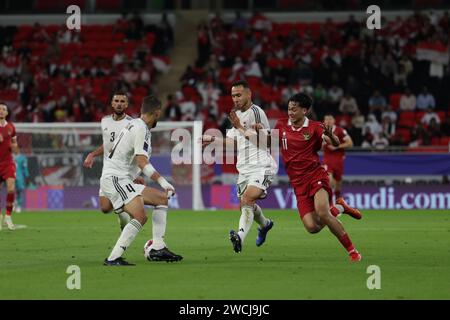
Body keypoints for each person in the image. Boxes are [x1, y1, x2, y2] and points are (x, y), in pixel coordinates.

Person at [273, 93, 363, 262]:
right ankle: (340, 207)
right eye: (289, 108)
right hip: (298, 183)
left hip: (315, 176)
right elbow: (265, 140)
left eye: (294, 109)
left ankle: (353, 252)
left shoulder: (314, 127)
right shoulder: (281, 125)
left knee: (323, 212)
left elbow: (335, 142)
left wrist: (332, 136)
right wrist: (246, 129)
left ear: (304, 110)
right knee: (312, 227)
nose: (290, 112)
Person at [101, 95, 182, 266]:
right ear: (157, 113)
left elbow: (124, 155)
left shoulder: (133, 124)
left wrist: (133, 176)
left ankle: (158, 247)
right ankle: (113, 258)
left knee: (161, 199)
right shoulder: (142, 128)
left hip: (122, 178)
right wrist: (164, 182)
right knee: (140, 216)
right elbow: (142, 162)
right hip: (116, 179)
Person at [201, 80, 277, 253]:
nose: (235, 99)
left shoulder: (255, 112)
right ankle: (265, 224)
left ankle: (240, 237)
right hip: (244, 169)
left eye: (238, 95)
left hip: (261, 165)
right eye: (233, 96)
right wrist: (212, 140)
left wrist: (240, 128)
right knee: (245, 203)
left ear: (249, 94)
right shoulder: (236, 115)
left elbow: (264, 141)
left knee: (248, 200)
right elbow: (233, 142)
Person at [83, 92, 135, 230]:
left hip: (124, 172)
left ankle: (126, 226)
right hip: (107, 170)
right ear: (112, 104)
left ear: (126, 104)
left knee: (127, 205)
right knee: (105, 208)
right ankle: (122, 217)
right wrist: (92, 154)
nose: (119, 103)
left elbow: (136, 150)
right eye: (116, 101)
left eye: (122, 101)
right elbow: (107, 145)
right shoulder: (104, 121)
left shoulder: (132, 124)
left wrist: (137, 173)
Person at [322, 113, 354, 200]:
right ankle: (329, 201)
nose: (328, 121)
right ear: (324, 121)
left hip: (338, 159)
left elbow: (350, 143)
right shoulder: (322, 131)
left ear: (334, 121)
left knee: (338, 182)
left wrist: (337, 147)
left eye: (330, 119)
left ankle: (337, 198)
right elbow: (319, 147)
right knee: (329, 180)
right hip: (327, 159)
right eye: (326, 119)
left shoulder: (340, 130)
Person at [0, 102, 18, 231]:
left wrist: (14, 147)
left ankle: (7, 215)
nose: (1, 111)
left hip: (8, 163)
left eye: (3, 109)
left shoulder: (11, 127)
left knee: (11, 189)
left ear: (6, 113)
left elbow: (15, 147)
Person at [14, 149, 29, 213]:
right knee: (11, 191)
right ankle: (12, 203)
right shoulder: (10, 157)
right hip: (11, 176)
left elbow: (25, 168)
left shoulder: (23, 158)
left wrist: (27, 176)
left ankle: (18, 205)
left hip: (19, 177)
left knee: (19, 190)